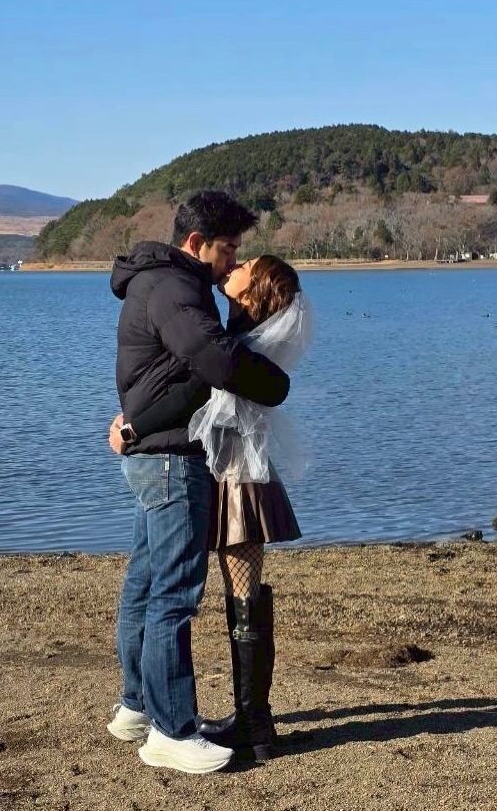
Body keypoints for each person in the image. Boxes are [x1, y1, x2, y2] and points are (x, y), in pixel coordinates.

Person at [107, 192, 291, 774]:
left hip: (157, 453)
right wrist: (278, 385)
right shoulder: (175, 288)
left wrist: (134, 423)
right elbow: (215, 364)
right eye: (228, 249)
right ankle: (172, 730)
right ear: (196, 243)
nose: (231, 259)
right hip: (171, 459)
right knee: (174, 594)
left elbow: (177, 375)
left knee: (145, 583)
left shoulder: (163, 282)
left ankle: (138, 705)